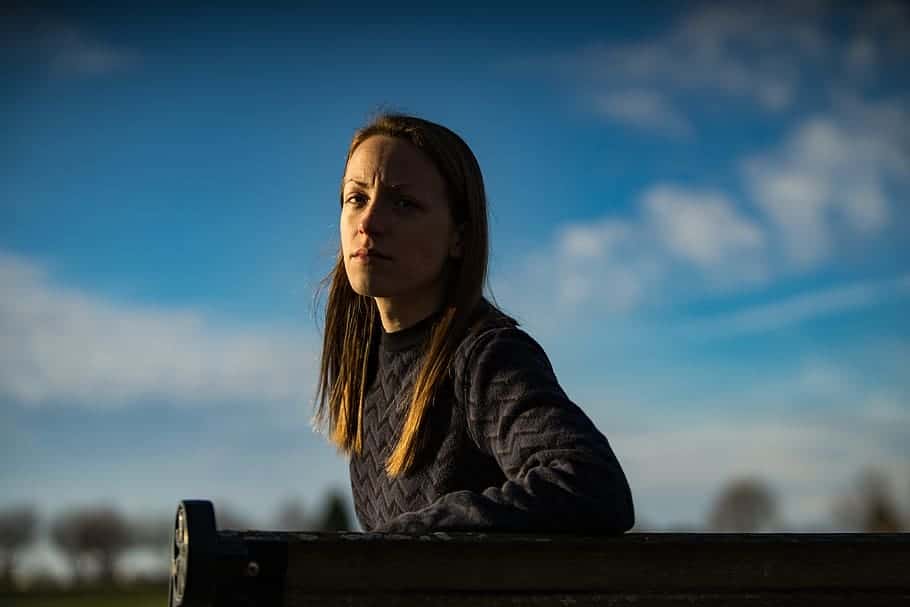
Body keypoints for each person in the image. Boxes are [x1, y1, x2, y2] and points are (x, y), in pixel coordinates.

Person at [313, 113, 634, 534]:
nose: (368, 224)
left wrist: (411, 535)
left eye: (403, 203)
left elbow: (592, 483)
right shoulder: (365, 368)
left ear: (458, 238)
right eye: (356, 198)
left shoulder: (484, 356)